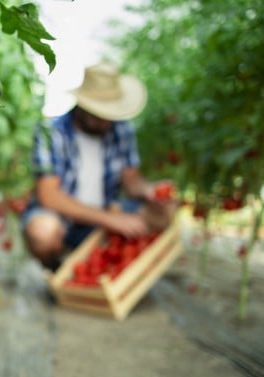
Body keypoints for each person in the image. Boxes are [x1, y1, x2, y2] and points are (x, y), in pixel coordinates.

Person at [21, 62, 176, 271]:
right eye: (100, 114)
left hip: (105, 214)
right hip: (64, 219)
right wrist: (111, 219)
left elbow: (131, 179)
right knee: (42, 232)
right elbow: (49, 195)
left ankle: (112, 263)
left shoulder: (121, 129)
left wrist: (148, 191)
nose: (107, 122)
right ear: (83, 105)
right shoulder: (51, 132)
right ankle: (58, 270)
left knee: (166, 211)